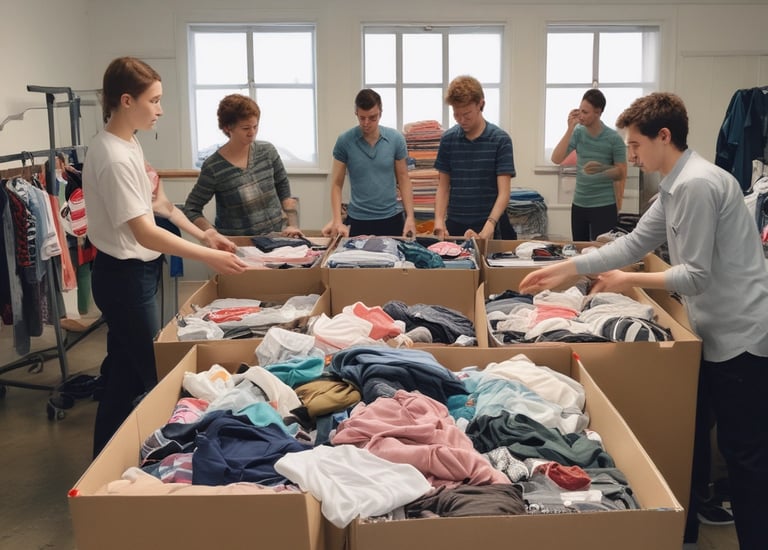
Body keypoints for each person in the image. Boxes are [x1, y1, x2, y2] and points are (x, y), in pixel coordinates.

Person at [519, 92, 768, 550]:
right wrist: (567, 268)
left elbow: (695, 275)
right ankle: (686, 531)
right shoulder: (675, 184)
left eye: (635, 145)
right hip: (712, 332)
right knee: (700, 438)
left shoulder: (695, 184)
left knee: (745, 457)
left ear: (664, 136)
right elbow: (634, 242)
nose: (630, 155)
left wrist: (623, 280)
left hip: (741, 338)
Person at [82, 57, 247, 458]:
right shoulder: (114, 156)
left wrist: (205, 233)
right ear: (126, 100)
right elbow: (145, 232)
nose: (160, 109)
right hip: (123, 278)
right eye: (154, 101)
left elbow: (162, 206)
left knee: (123, 373)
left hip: (133, 275)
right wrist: (208, 255)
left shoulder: (128, 143)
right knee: (160, 378)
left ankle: (103, 462)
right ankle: (176, 461)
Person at [183, 94, 302, 238]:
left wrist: (293, 225)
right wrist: (212, 234)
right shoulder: (213, 166)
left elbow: (283, 186)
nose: (252, 133)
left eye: (255, 126)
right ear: (228, 128)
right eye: (245, 128)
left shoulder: (267, 151)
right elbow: (191, 208)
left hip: (276, 237)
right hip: (237, 244)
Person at [322, 89, 415, 238]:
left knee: (394, 260)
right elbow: (336, 184)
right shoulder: (344, 141)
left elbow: (404, 179)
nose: (366, 123)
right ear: (356, 114)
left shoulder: (395, 139)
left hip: (391, 218)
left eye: (372, 118)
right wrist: (337, 221)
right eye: (362, 118)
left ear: (380, 113)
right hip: (358, 219)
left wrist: (410, 216)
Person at [433, 75, 516, 241]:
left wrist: (491, 223)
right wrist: (439, 220)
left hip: (490, 223)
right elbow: (443, 187)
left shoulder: (500, 140)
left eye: (467, 114)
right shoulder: (448, 139)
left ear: (481, 104)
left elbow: (504, 193)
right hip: (456, 223)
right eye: (456, 114)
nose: (462, 120)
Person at [551, 88, 627, 241]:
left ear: (598, 112)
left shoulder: (613, 139)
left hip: (604, 205)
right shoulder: (578, 132)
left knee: (604, 254)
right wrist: (569, 129)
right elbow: (556, 158)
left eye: (585, 112)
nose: (581, 116)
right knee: (580, 252)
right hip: (579, 204)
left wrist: (602, 169)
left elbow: (621, 173)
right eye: (580, 110)